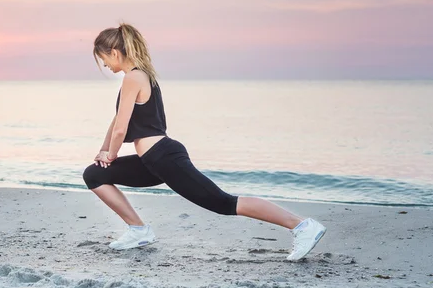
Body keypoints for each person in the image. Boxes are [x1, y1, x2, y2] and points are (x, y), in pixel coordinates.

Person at [82, 23, 326, 261]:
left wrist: (111, 155)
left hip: (164, 158)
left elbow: (121, 129)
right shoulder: (140, 77)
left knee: (223, 203)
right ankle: (138, 231)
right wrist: (104, 152)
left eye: (103, 58)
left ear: (114, 52)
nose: (104, 64)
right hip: (152, 161)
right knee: (95, 175)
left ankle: (302, 226)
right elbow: (116, 122)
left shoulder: (133, 78)